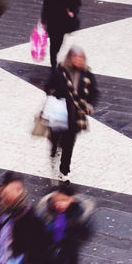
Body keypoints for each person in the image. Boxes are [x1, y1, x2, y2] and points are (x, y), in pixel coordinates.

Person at [44, 47, 99, 179]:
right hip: (60, 113)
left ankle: (64, 170)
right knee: (55, 138)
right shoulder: (60, 71)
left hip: (75, 116)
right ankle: (54, 151)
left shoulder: (87, 74)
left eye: (81, 58)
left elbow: (94, 92)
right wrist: (55, 94)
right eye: (76, 57)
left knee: (69, 144)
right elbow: (48, 86)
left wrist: (89, 104)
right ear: (70, 58)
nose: (79, 60)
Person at [40, 0, 81, 69]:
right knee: (55, 42)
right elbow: (47, 4)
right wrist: (44, 19)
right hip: (54, 20)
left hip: (65, 21)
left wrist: (73, 11)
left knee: (59, 42)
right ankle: (53, 62)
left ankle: (54, 59)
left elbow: (77, 2)